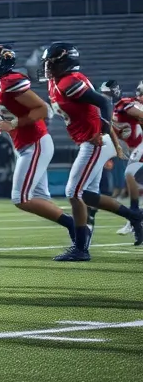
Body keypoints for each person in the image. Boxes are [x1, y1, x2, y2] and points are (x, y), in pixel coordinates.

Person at [42, 43, 143, 259]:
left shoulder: (70, 81)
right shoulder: (57, 82)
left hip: (95, 141)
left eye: (51, 62)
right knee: (88, 195)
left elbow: (103, 102)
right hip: (91, 140)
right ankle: (135, 215)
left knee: (73, 192)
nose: (47, 67)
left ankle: (80, 248)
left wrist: (101, 130)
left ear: (63, 62)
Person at [0, 42, 78, 245]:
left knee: (21, 198)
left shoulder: (10, 82)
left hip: (34, 144)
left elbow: (43, 110)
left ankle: (77, 227)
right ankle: (79, 230)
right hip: (25, 146)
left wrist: (14, 123)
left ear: (2, 62)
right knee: (41, 197)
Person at [103, 80, 143, 241]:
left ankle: (134, 216)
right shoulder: (120, 106)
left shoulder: (127, 104)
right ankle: (134, 217)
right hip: (135, 149)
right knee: (130, 175)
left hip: (139, 147)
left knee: (130, 174)